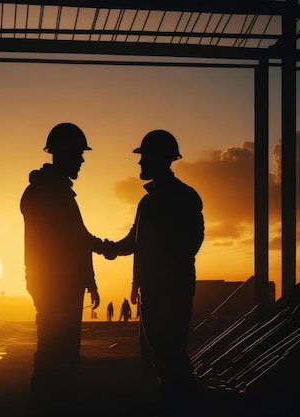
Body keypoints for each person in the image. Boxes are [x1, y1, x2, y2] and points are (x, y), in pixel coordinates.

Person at [103, 129, 205, 413]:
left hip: (169, 291)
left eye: (144, 156)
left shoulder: (182, 197)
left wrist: (165, 274)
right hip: (154, 289)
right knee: (159, 356)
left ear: (162, 158)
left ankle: (181, 404)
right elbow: (134, 241)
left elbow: (192, 241)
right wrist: (107, 247)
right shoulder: (147, 203)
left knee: (169, 354)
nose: (140, 163)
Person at [20, 122, 105, 404]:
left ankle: (53, 402)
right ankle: (49, 405)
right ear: (62, 152)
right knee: (55, 354)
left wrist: (88, 280)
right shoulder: (48, 193)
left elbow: (75, 240)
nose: (81, 159)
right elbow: (76, 238)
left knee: (59, 352)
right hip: (55, 285)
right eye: (78, 153)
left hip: (58, 284)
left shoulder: (51, 191)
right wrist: (106, 248)